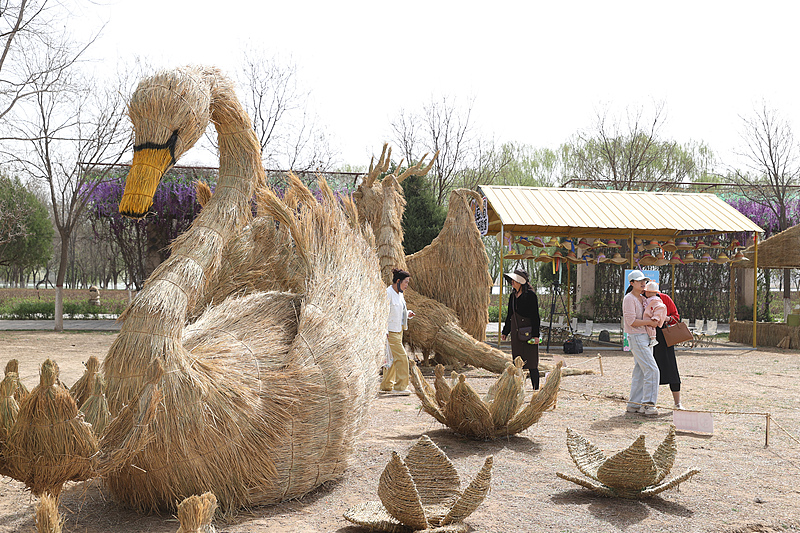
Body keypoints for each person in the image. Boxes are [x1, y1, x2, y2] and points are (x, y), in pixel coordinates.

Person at [622, 270, 661, 416]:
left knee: (640, 370)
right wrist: (650, 322)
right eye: (639, 281)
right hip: (637, 336)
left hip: (645, 337)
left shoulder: (643, 298)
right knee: (652, 369)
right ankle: (648, 405)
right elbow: (631, 321)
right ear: (631, 283)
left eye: (644, 281)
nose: (643, 284)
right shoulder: (629, 299)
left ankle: (634, 404)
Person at [501, 269, 541, 390]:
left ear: (521, 282)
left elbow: (535, 316)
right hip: (516, 331)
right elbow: (509, 315)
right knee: (517, 363)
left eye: (515, 280)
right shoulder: (512, 296)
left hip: (528, 332)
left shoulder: (531, 296)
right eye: (512, 280)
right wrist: (505, 331)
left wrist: (536, 335)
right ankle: (519, 389)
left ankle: (536, 389)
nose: (512, 282)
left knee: (532, 363)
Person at [380, 268, 415, 394]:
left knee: (392, 359)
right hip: (390, 331)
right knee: (402, 358)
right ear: (398, 281)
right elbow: (381, 312)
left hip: (398, 330)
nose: (407, 285)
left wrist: (408, 313)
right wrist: (384, 331)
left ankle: (386, 385)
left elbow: (399, 311)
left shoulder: (400, 294)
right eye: (405, 282)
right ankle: (400, 387)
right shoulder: (387, 293)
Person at [652, 287, 684, 410]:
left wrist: (666, 318)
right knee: (649, 371)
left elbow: (676, 316)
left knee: (671, 369)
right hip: (647, 337)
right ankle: (647, 402)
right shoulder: (641, 299)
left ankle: (677, 403)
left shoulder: (664, 298)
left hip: (665, 337)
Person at [643, 281, 668, 347]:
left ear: (648, 292)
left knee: (650, 326)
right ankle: (653, 338)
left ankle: (653, 338)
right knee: (651, 327)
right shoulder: (655, 299)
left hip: (652, 316)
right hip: (653, 316)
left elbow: (658, 308)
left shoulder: (653, 300)